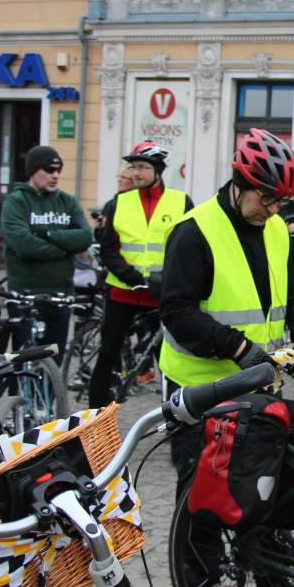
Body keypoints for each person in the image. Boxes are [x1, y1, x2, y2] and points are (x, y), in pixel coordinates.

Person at [158, 128, 294, 587]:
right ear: (239, 182)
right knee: (203, 488)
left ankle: (272, 583)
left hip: (257, 381)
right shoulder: (194, 232)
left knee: (265, 480)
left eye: (281, 201)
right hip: (200, 384)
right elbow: (177, 311)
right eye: (266, 199)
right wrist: (238, 347)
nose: (273, 209)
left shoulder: (275, 228)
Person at [88, 141, 191, 407]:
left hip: (161, 295)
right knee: (108, 353)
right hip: (124, 291)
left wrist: (168, 279)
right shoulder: (119, 203)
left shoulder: (180, 202)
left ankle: (175, 412)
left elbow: (189, 248)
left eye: (143, 167)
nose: (136, 172)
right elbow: (109, 247)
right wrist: (131, 277)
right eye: (133, 167)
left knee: (169, 359)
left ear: (158, 170)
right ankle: (94, 416)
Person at [0, 145, 92, 361]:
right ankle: (17, 394)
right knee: (21, 361)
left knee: (53, 360)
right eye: (49, 170)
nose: (55, 175)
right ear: (33, 171)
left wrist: (48, 234)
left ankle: (49, 396)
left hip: (61, 293)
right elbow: (23, 245)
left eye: (59, 170)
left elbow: (85, 237)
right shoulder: (17, 201)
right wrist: (65, 248)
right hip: (25, 294)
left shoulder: (67, 202)